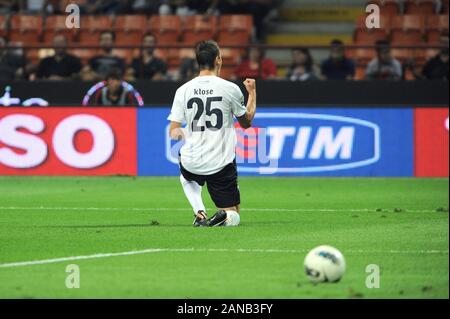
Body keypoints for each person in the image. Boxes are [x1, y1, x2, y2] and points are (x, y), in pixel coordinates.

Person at [167, 40, 256, 227]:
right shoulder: (230, 88)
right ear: (218, 60)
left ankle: (199, 212)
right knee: (234, 214)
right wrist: (252, 93)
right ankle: (224, 215)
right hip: (220, 163)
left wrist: (193, 133)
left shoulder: (182, 90)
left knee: (185, 174)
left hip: (191, 161)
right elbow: (246, 122)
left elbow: (173, 132)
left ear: (198, 61)